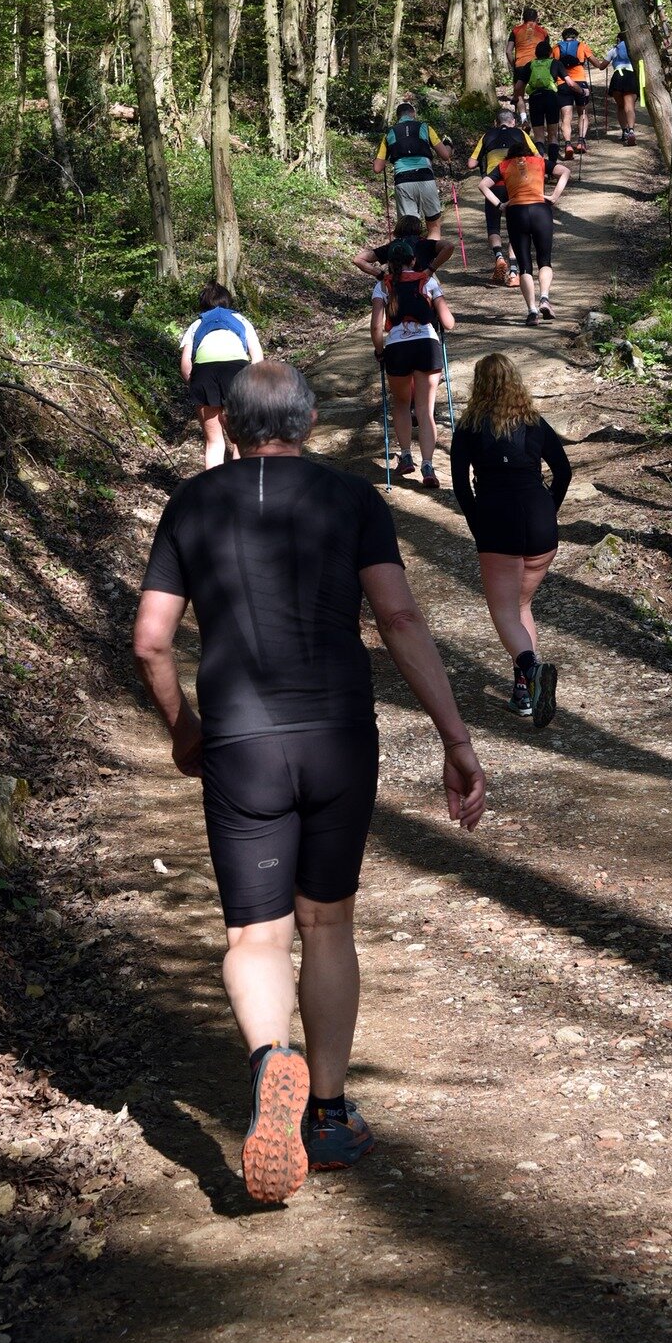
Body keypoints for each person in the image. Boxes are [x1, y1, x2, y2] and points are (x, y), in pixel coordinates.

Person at [133, 361, 487, 1206]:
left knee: (255, 936)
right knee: (326, 922)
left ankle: (270, 1062)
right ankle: (325, 1117)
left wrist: (184, 729)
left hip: (241, 743)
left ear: (226, 417)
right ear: (311, 420)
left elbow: (150, 640)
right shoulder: (351, 501)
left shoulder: (191, 503)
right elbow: (398, 617)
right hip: (335, 734)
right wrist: (454, 735)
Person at [451, 354, 570, 726]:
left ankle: (531, 670)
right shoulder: (534, 422)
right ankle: (524, 694)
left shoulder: (469, 427)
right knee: (521, 608)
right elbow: (563, 471)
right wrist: (550, 510)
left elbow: (459, 485)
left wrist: (476, 522)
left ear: (479, 384)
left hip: (497, 520)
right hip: (539, 522)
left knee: (504, 612)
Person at [371, 238, 455, 489]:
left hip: (397, 348)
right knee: (425, 409)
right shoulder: (427, 280)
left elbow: (376, 326)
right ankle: (428, 464)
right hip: (426, 346)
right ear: (413, 260)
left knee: (401, 402)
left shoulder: (383, 286)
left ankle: (406, 454)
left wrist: (379, 351)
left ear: (390, 263)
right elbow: (448, 322)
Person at [480, 131, 569, 327]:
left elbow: (483, 185)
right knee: (545, 260)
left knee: (524, 265)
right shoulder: (539, 161)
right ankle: (544, 298)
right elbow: (565, 171)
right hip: (540, 211)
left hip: (516, 212)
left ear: (510, 153)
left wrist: (499, 205)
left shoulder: (503, 165)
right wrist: (554, 196)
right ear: (528, 150)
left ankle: (531, 311)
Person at [180, 282, 264, 469]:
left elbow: (186, 365)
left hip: (204, 373)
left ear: (202, 304)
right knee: (241, 439)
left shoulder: (196, 324)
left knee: (214, 442)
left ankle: (215, 493)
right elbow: (257, 358)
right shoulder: (241, 320)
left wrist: (194, 386)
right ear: (228, 302)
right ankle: (240, 487)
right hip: (237, 370)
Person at [467, 101, 538, 286]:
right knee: (516, 228)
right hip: (515, 183)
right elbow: (537, 157)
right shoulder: (520, 133)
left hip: (493, 184)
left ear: (495, 123)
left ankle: (499, 257)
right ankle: (514, 273)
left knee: (493, 226)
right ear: (513, 122)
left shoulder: (487, 136)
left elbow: (471, 164)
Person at [373, 100, 453, 238]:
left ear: (398, 116)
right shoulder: (425, 128)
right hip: (425, 178)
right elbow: (445, 156)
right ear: (413, 114)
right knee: (433, 225)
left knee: (409, 229)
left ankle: (412, 257)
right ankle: (429, 258)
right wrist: (449, 145)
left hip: (403, 181)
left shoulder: (389, 134)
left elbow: (377, 168)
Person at [351, 211, 453, 282]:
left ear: (398, 229)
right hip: (423, 283)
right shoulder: (426, 243)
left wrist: (381, 274)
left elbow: (358, 260)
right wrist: (431, 269)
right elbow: (449, 247)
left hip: (397, 287)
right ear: (419, 229)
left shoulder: (391, 247)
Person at [555, 24, 607, 157]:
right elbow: (597, 64)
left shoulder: (555, 48)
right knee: (583, 113)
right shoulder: (582, 46)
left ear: (563, 38)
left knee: (566, 116)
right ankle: (581, 142)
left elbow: (552, 65)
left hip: (562, 83)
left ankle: (567, 144)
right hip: (580, 83)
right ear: (575, 37)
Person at [526, 38, 566, 181]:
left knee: (539, 137)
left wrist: (516, 98)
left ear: (536, 54)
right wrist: (581, 91)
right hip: (551, 98)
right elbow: (569, 82)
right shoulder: (555, 63)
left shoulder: (529, 65)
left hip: (535, 98)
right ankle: (552, 169)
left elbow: (519, 86)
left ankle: (540, 169)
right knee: (553, 135)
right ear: (550, 53)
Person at [507, 6, 550, 120]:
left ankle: (523, 119)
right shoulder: (543, 32)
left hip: (520, 64)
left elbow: (508, 51)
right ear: (536, 18)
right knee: (538, 92)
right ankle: (539, 117)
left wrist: (514, 65)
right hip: (538, 65)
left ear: (523, 19)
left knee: (519, 94)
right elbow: (548, 52)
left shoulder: (515, 30)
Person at [608, 31, 640, 143]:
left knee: (620, 107)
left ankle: (624, 132)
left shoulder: (613, 50)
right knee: (630, 106)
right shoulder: (634, 49)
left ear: (618, 39)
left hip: (617, 77)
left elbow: (602, 66)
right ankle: (631, 131)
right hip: (630, 76)